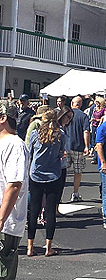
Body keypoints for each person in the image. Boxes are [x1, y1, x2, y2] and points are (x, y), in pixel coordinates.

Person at [26, 109, 65, 257]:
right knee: (50, 211)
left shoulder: (36, 134)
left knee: (34, 209)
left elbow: (30, 153)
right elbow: (62, 152)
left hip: (36, 173)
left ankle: (30, 246)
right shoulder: (60, 135)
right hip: (53, 174)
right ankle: (49, 247)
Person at [0, 100, 29, 279]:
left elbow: (14, 184)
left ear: (3, 118)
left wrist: (1, 219)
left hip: (5, 226)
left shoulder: (15, 145)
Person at [65, 95, 90, 202]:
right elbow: (86, 131)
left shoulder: (66, 115)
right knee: (77, 171)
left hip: (66, 146)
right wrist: (87, 146)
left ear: (72, 103)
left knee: (63, 171)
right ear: (80, 105)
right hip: (78, 147)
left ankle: (59, 194)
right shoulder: (83, 116)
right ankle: (75, 193)